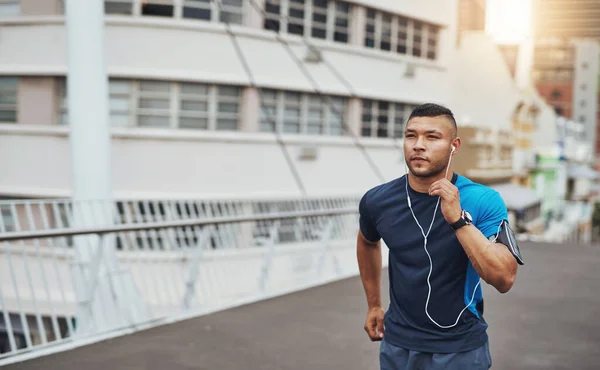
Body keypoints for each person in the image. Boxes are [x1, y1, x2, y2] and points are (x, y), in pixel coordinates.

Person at [356, 103, 523, 370]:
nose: (418, 145)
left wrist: (458, 220)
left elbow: (504, 278)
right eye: (411, 135)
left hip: (460, 347)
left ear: (454, 146)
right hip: (398, 344)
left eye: (432, 137)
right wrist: (374, 304)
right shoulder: (378, 200)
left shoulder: (482, 200)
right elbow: (367, 241)